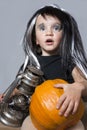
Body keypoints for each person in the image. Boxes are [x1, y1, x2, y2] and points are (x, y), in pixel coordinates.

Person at [0, 4, 87, 130]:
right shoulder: (31, 64)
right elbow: (21, 89)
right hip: (39, 116)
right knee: (27, 126)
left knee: (78, 127)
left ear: (65, 37)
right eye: (42, 28)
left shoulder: (69, 62)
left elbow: (84, 82)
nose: (49, 33)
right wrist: (8, 94)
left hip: (69, 116)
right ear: (35, 39)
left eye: (56, 28)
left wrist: (77, 87)